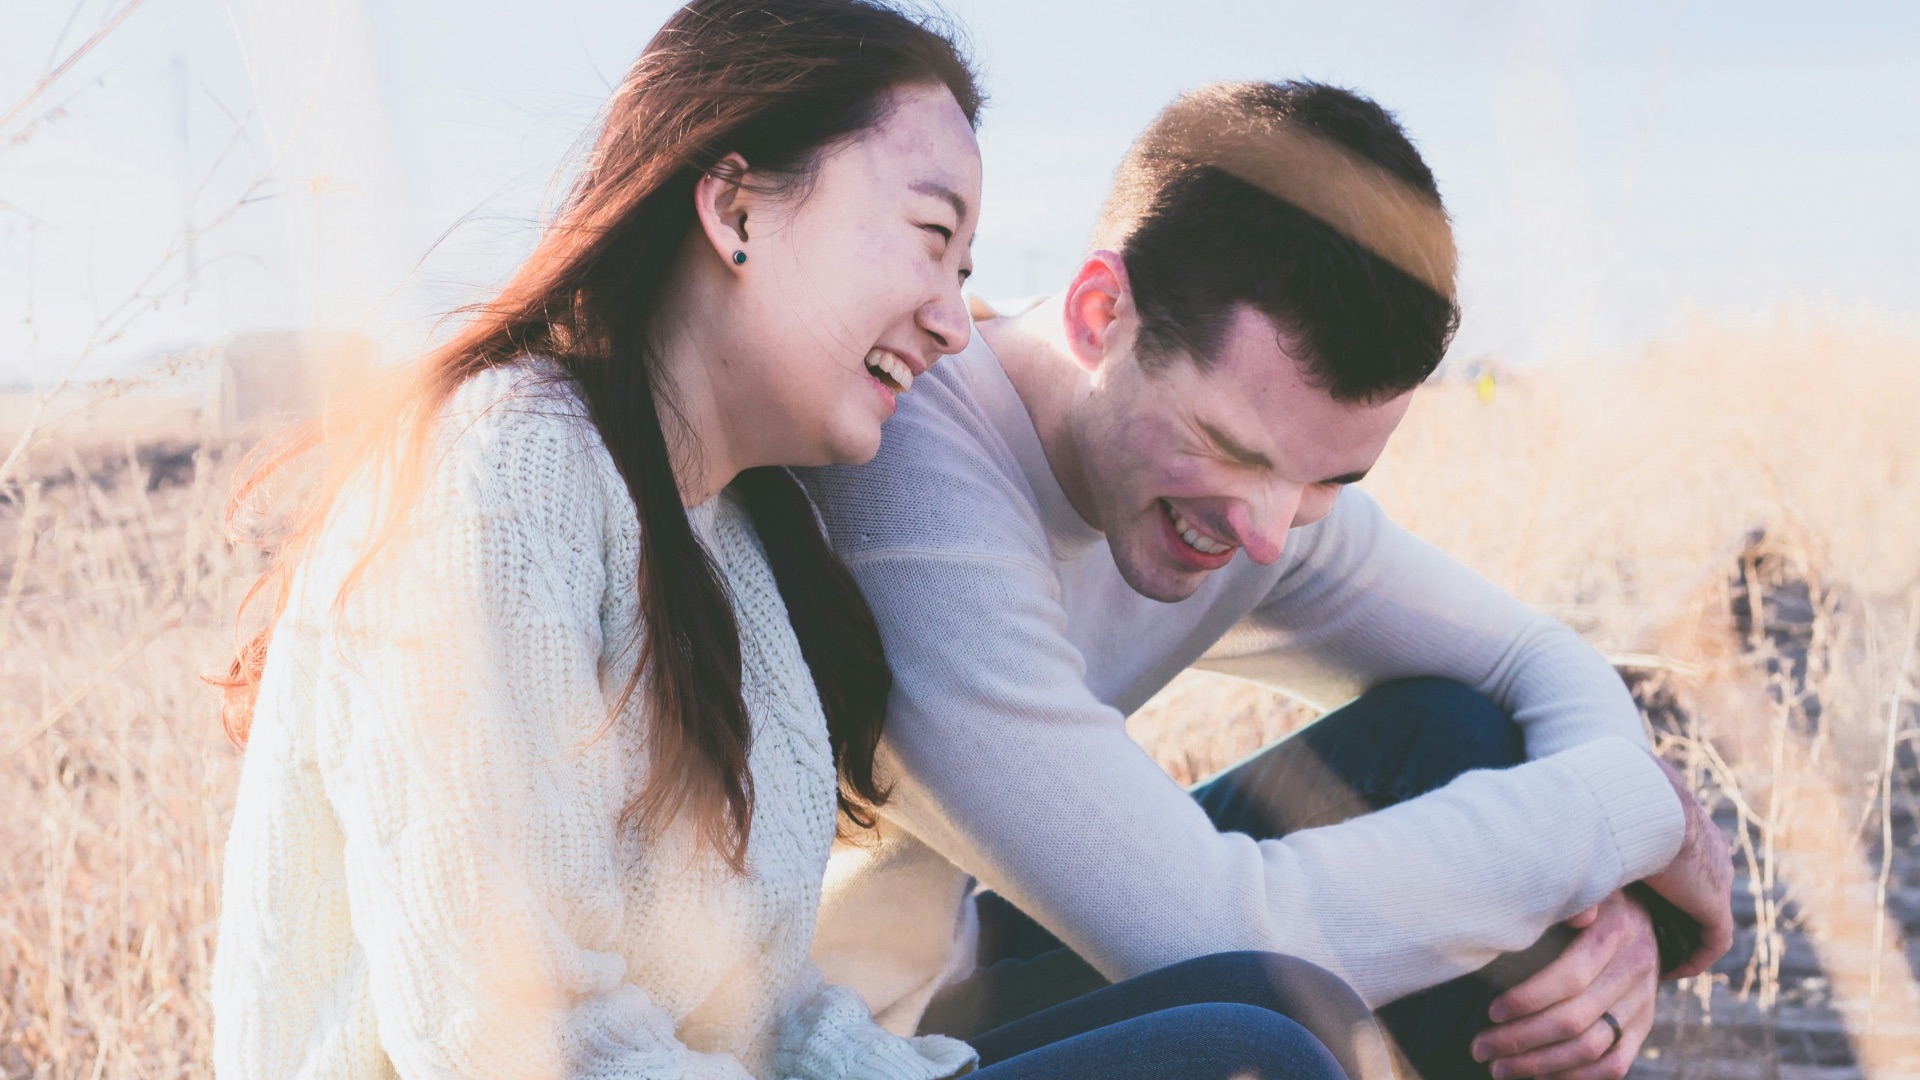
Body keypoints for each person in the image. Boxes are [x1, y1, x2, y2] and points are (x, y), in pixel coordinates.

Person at [208, 4, 1363, 1078]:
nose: (956, 320)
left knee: (1277, 1008)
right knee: (1251, 1054)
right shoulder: (507, 477)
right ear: (735, 207)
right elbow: (515, 1042)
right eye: (927, 238)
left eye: (965, 273)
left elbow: (769, 1020)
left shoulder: (736, 538)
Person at [798, 80, 1736, 1080]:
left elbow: (1530, 654)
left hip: (960, 969)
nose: (1266, 532)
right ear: (1100, 313)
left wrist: (1608, 907)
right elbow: (1212, 934)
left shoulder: (1252, 498)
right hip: (838, 1044)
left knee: (1461, 737)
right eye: (1229, 449)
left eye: (1330, 479)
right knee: (1267, 1036)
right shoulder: (914, 493)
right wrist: (1628, 819)